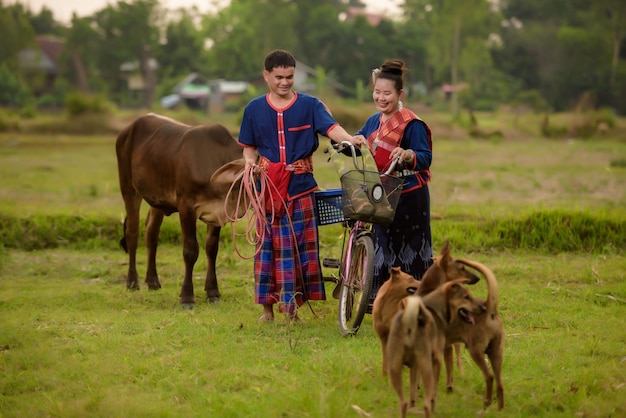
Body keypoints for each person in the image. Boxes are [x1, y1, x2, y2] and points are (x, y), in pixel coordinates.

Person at [238, 49, 362, 323]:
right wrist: (249, 163)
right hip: (268, 188)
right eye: (279, 77)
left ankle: (292, 311)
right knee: (266, 247)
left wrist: (351, 139)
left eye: (290, 77)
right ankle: (267, 310)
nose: (284, 82)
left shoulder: (310, 105)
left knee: (298, 250)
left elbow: (332, 129)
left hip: (301, 187)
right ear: (266, 76)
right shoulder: (254, 109)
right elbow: (249, 148)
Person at [353, 59, 434, 299]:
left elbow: (425, 157)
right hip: (382, 193)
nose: (381, 98)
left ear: (400, 94)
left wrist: (408, 154)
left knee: (409, 249)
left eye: (387, 93)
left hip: (410, 197)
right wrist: (350, 142)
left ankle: (414, 299)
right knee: (382, 244)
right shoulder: (373, 121)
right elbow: (359, 138)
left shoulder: (412, 123)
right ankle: (379, 299)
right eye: (377, 92)